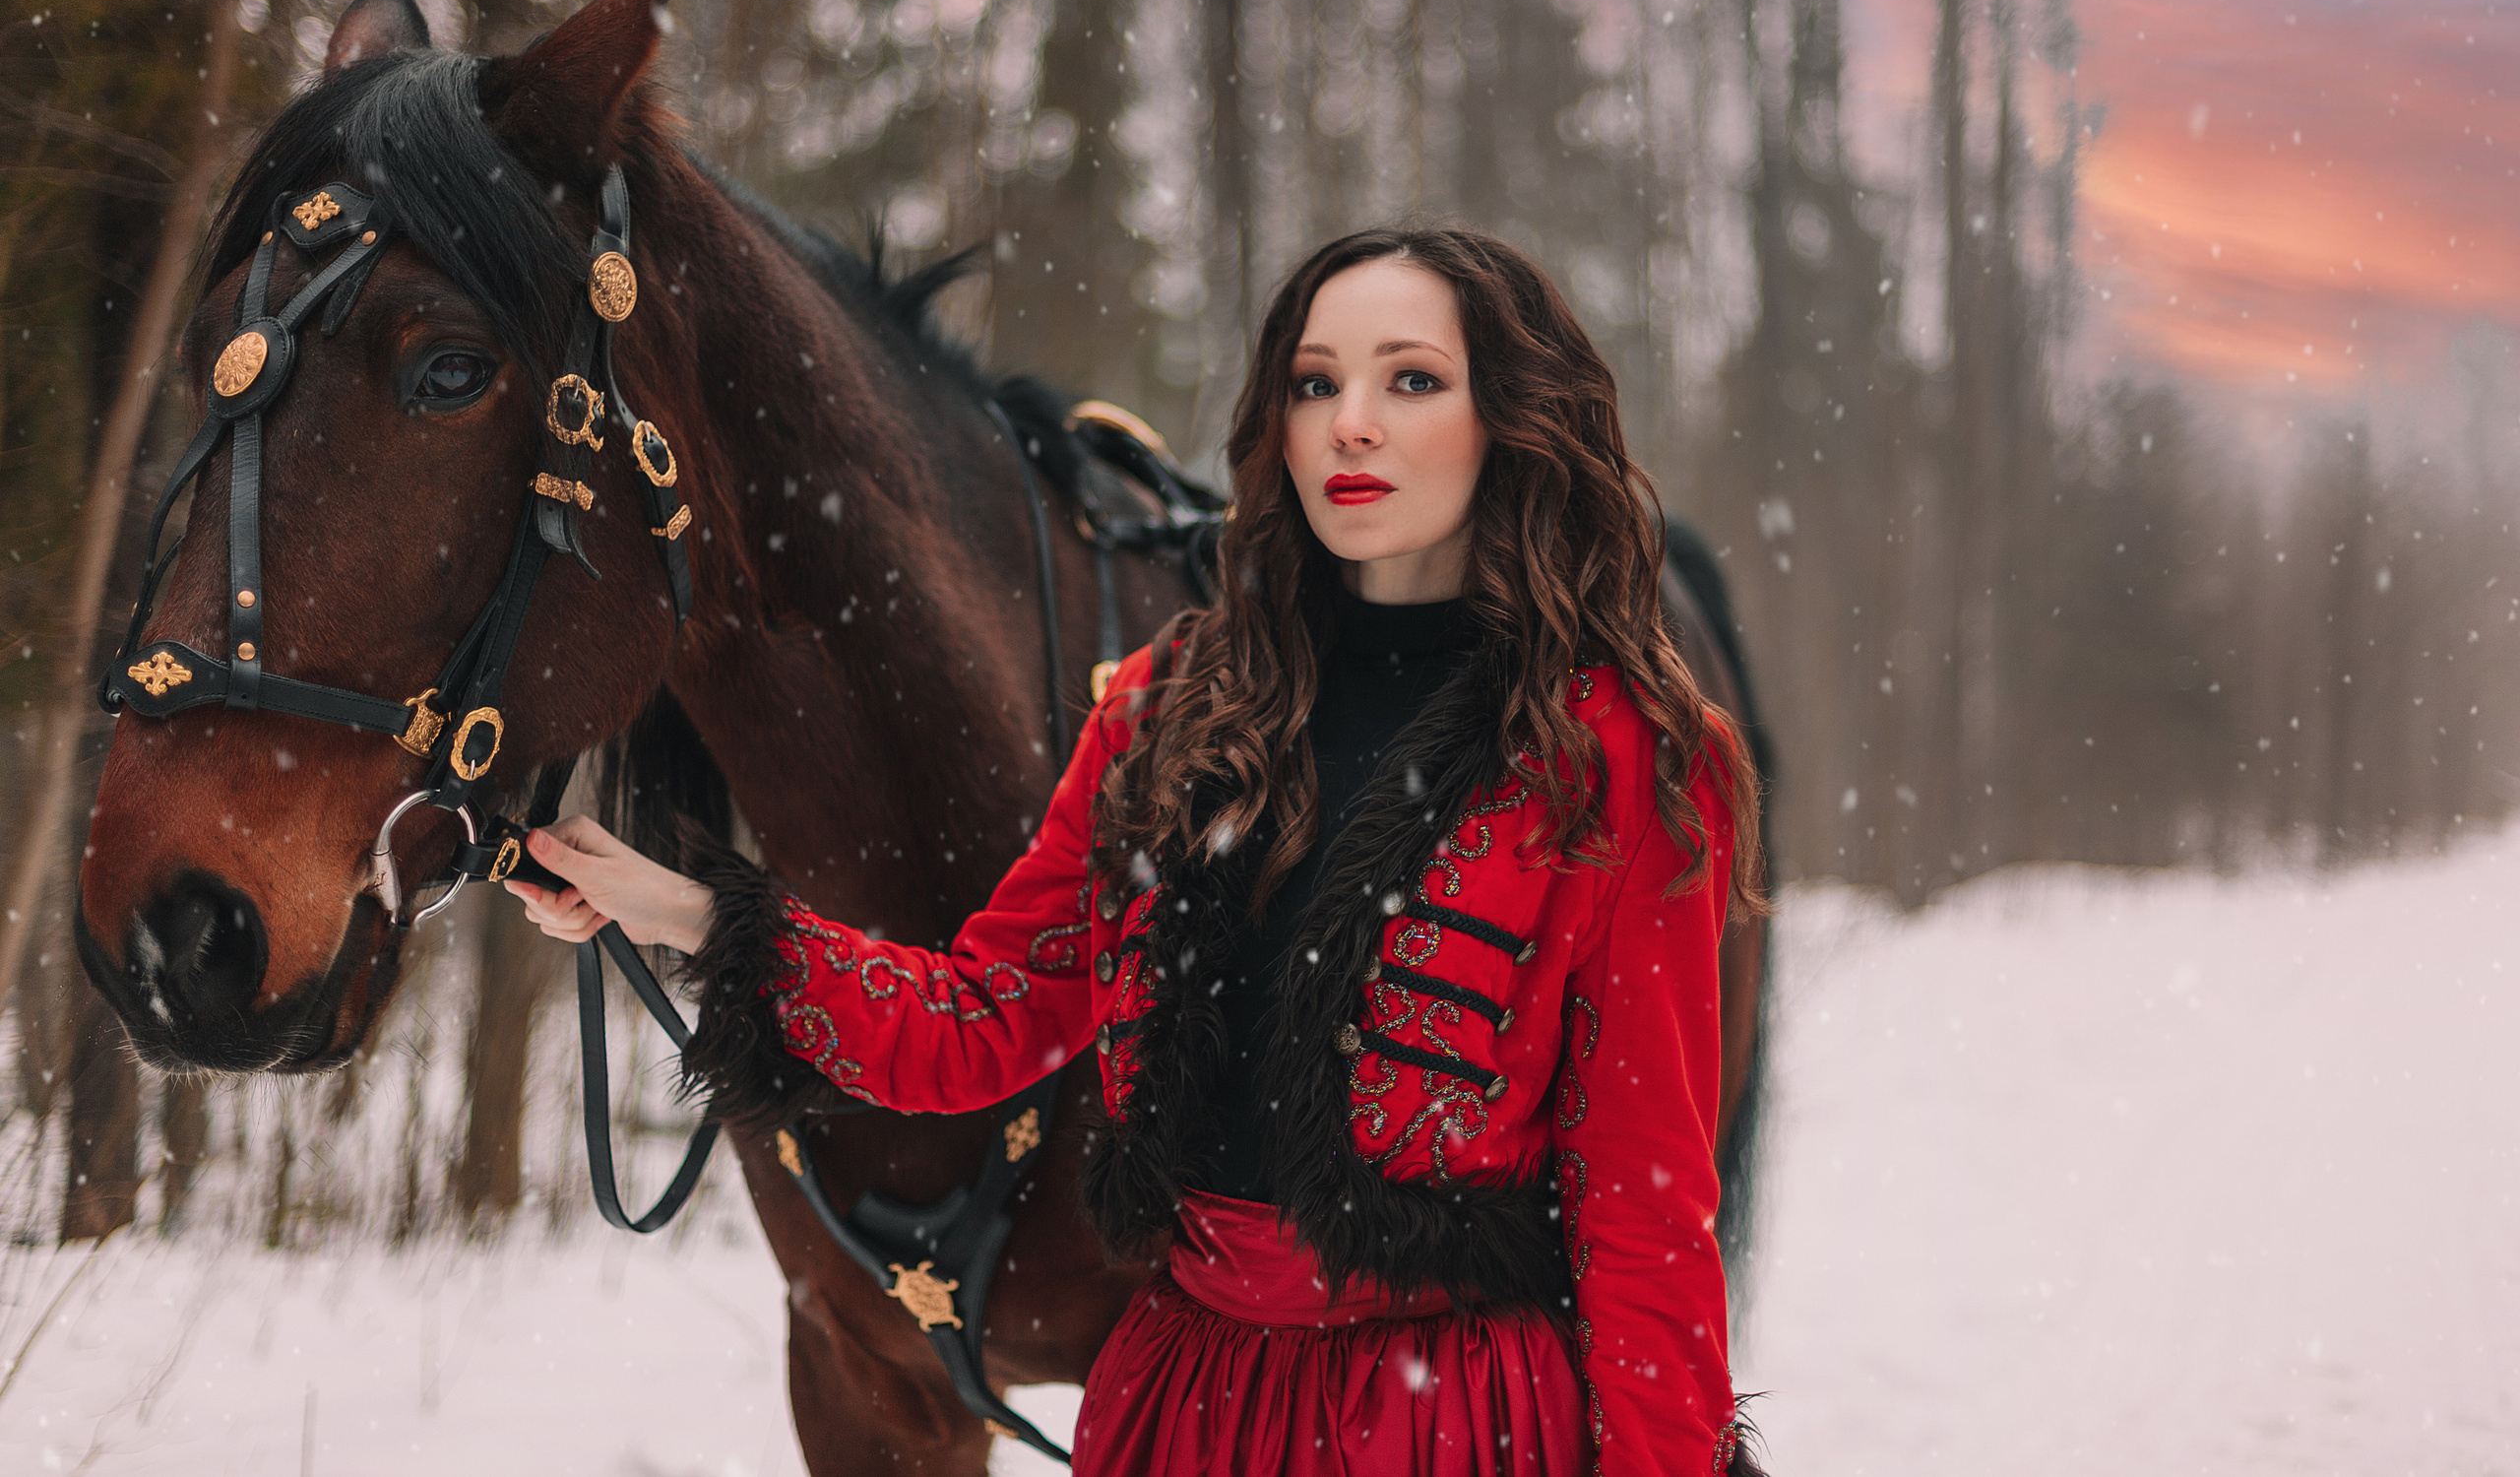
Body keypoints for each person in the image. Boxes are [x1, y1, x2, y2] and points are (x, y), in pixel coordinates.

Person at [510, 226, 1770, 1476]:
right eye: (1315, 382)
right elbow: (981, 1022)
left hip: (1454, 1423)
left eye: (1412, 380)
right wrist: (688, 911)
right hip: (1185, 1411)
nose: (1352, 424)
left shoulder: (1615, 754)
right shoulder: (1171, 707)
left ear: (1511, 416)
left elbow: (1645, 1216)